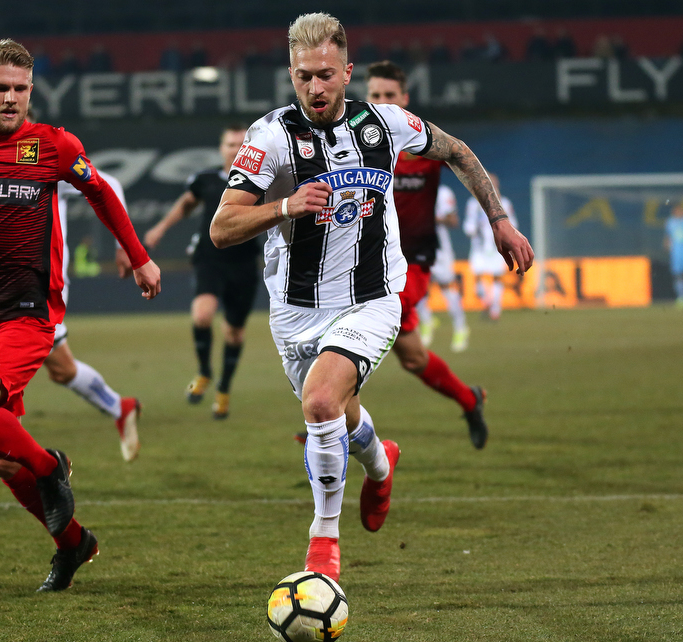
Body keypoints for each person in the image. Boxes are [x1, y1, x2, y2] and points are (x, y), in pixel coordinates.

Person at [210, 13, 532, 582]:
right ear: (291, 73)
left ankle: (323, 548)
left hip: (373, 297)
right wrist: (284, 206)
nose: (315, 87)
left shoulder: (384, 124)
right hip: (294, 310)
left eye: (326, 75)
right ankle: (381, 466)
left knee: (319, 406)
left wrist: (500, 220)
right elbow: (222, 226)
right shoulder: (269, 137)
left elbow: (456, 151)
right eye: (304, 76)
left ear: (347, 72)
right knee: (335, 411)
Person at [0, 39, 160, 592]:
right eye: (0, 87)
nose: (12, 97)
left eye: (21, 88)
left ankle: (52, 468)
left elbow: (103, 196)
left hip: (28, 314)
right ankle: (73, 545)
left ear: (31, 90)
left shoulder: (52, 146)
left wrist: (138, 257)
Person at [364, 60, 487, 444]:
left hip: (412, 263)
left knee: (365, 324)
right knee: (414, 358)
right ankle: (470, 400)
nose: (382, 103)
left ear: (405, 99)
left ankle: (329, 417)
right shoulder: (357, 146)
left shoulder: (424, 145)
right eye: (375, 96)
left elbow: (464, 160)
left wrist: (497, 219)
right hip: (367, 263)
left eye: (389, 96)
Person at [144, 125, 260, 420]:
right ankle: (205, 371)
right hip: (209, 258)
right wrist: (160, 228)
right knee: (202, 315)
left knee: (234, 332)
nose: (235, 149)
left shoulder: (260, 182)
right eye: (230, 143)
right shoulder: (206, 180)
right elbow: (186, 204)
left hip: (245, 263)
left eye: (240, 144)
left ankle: (223, 388)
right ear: (221, 148)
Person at [417, 184, 470, 352]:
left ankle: (461, 328)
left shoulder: (442, 192)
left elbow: (454, 221)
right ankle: (426, 324)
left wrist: (430, 217)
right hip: (416, 247)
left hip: (439, 250)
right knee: (416, 289)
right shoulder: (410, 190)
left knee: (447, 288)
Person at [463, 173, 517, 321]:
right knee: (478, 277)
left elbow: (513, 224)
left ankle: (495, 310)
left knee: (498, 277)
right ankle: (487, 301)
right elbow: (468, 226)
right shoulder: (473, 204)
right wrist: (474, 230)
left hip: (497, 246)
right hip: (479, 247)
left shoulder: (504, 203)